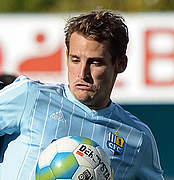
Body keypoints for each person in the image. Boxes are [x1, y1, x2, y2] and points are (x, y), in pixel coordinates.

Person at [0, 10, 164, 180]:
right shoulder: (29, 97)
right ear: (66, 56)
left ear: (120, 64)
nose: (82, 73)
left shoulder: (137, 138)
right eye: (75, 60)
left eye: (95, 62)